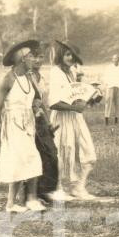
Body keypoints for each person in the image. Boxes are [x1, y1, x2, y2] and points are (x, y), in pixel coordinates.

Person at [0, 40, 45, 213]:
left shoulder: (30, 77)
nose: (35, 59)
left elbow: (36, 98)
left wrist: (36, 106)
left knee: (32, 159)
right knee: (19, 161)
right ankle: (11, 203)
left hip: (28, 123)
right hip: (12, 125)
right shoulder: (6, 80)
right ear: (22, 59)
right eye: (31, 56)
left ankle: (30, 199)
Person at [48, 40, 97, 201]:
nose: (71, 58)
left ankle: (78, 187)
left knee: (87, 151)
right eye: (68, 54)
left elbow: (76, 95)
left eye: (73, 56)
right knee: (63, 152)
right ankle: (58, 188)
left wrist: (89, 99)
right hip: (61, 118)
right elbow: (53, 102)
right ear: (61, 54)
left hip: (76, 117)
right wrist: (74, 107)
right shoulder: (55, 73)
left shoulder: (71, 72)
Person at [28, 48, 60, 202]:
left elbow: (43, 103)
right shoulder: (25, 77)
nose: (38, 60)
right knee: (34, 156)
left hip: (41, 119)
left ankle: (46, 190)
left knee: (51, 154)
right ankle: (32, 193)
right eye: (34, 57)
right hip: (28, 120)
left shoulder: (41, 78)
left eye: (40, 57)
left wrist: (48, 122)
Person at [102, 54, 119, 125]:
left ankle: (116, 119)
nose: (115, 60)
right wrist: (107, 84)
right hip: (110, 86)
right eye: (114, 59)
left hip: (118, 86)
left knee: (118, 103)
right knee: (108, 102)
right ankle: (106, 118)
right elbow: (105, 77)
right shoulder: (109, 68)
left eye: (116, 58)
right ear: (112, 60)